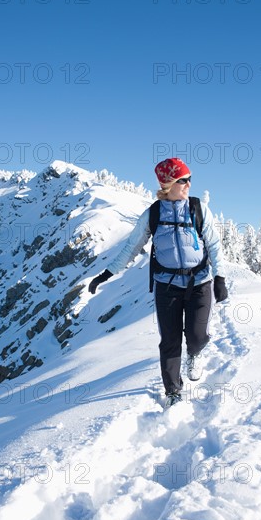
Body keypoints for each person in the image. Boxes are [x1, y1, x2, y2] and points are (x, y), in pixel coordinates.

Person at [88, 158, 228, 408]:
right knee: (170, 340)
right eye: (182, 180)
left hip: (200, 283)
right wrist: (106, 274)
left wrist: (220, 277)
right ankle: (173, 391)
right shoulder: (153, 214)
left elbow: (215, 245)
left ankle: (194, 354)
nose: (188, 184)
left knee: (196, 336)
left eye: (189, 179)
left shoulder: (198, 209)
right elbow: (131, 248)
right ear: (167, 184)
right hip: (167, 286)